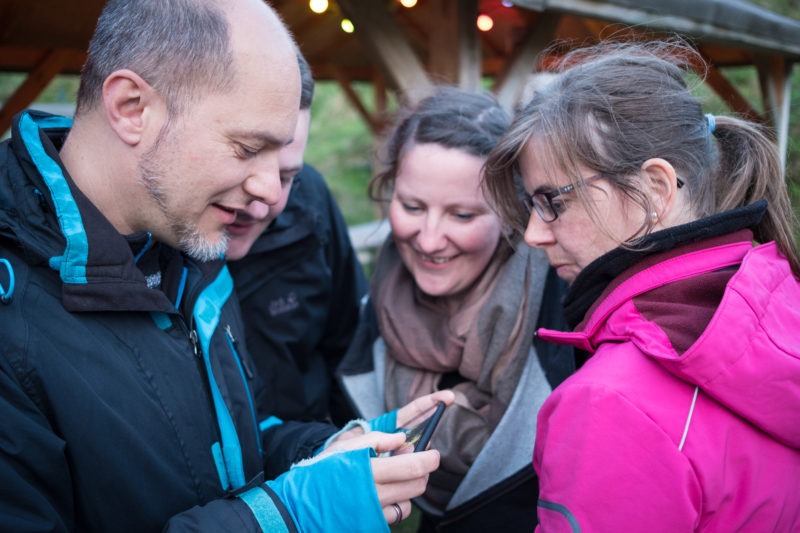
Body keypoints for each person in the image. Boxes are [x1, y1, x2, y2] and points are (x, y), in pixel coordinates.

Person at [0, 1, 454, 531]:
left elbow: (232, 443)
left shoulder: (187, 238)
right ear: (130, 107)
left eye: (282, 160)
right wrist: (289, 516)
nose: (268, 193)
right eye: (246, 148)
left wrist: (328, 452)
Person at [481, 39, 800, 531]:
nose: (533, 234)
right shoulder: (778, 304)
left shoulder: (609, 404)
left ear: (655, 189)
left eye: (553, 202)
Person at [337, 86, 575, 532]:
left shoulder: (564, 312)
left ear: (510, 213)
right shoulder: (377, 302)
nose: (428, 240)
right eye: (411, 206)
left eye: (462, 216)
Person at [226, 52, 367, 426]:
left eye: (287, 177)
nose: (263, 202)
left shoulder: (312, 204)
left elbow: (348, 342)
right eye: (244, 158)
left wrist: (346, 446)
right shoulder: (139, 244)